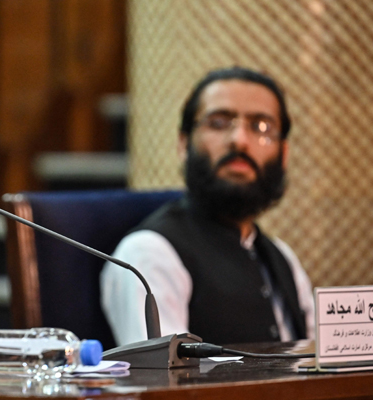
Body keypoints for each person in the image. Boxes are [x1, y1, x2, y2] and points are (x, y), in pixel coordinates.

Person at [100, 67, 315, 346]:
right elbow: (166, 382)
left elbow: (315, 365)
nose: (239, 140)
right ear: (183, 144)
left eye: (261, 127)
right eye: (218, 122)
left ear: (283, 154)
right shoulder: (149, 256)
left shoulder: (283, 257)